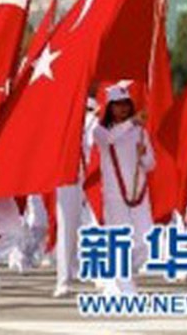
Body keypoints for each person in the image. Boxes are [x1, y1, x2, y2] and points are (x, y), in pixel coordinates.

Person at [92, 84, 155, 296]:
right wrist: (132, 122)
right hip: (114, 194)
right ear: (109, 107)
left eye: (125, 104)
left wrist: (143, 154)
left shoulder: (139, 131)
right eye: (117, 105)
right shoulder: (100, 131)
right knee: (119, 240)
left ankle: (115, 275)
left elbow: (151, 163)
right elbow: (110, 139)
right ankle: (125, 286)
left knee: (145, 241)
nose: (122, 109)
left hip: (138, 193)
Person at [53, 96, 99, 297]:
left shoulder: (94, 124)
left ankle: (98, 272)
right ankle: (63, 279)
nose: (85, 111)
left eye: (89, 108)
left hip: (93, 175)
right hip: (67, 176)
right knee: (67, 226)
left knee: (95, 223)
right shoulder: (60, 120)